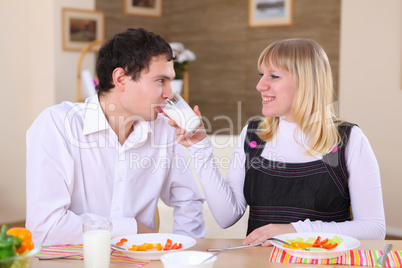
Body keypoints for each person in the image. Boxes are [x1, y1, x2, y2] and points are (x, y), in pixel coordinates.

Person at [172, 38, 385, 246]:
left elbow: (374, 230)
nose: (260, 85)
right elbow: (226, 216)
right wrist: (200, 149)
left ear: (307, 82)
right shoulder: (253, 135)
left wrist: (295, 231)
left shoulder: (348, 139)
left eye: (273, 76)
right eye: (261, 74)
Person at [26, 28, 206, 246]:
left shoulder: (164, 128)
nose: (170, 93)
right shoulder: (57, 125)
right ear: (120, 78)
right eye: (160, 81)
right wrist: (134, 229)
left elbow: (188, 200)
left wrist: (184, 251)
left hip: (141, 259)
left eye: (170, 81)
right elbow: (44, 229)